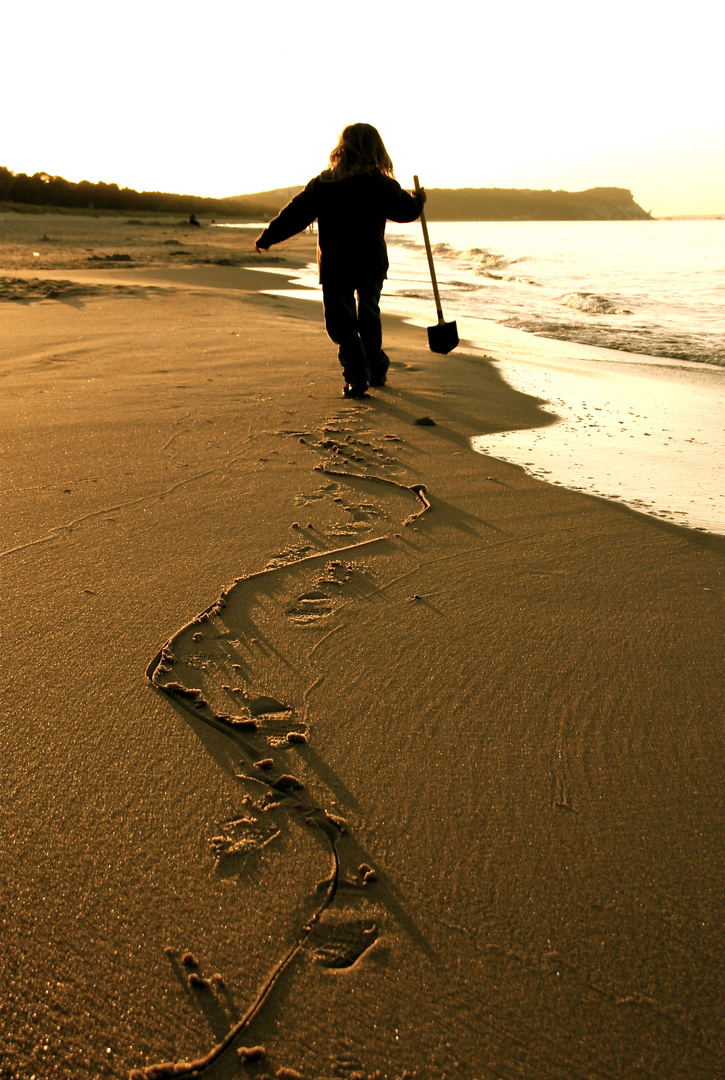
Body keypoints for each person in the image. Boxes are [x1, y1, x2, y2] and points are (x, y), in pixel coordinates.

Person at [255, 123, 425, 398]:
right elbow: (405, 211)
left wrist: (269, 236)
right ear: (375, 149)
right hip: (370, 263)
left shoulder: (325, 184)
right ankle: (376, 367)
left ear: (341, 149)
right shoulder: (378, 183)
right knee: (369, 314)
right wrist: (419, 200)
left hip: (336, 266)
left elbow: (296, 214)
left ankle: (358, 375)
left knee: (341, 323)